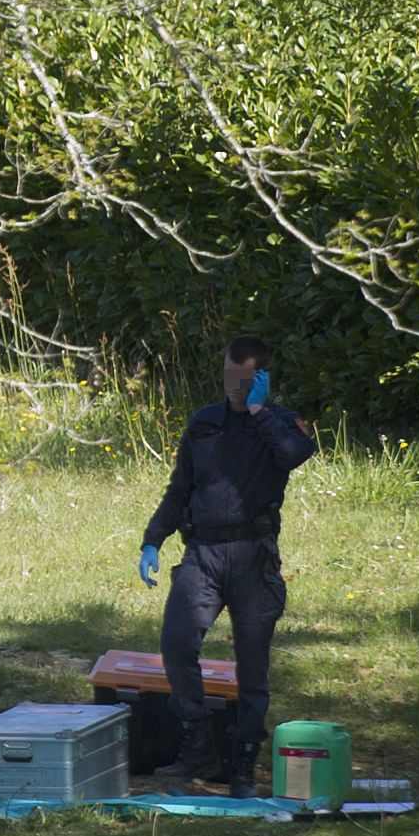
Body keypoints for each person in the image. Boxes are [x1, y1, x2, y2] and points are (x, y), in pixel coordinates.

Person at [137, 334, 318, 797]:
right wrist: (153, 540)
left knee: (251, 668)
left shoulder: (279, 423)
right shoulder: (204, 423)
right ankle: (197, 745)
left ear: (260, 378)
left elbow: (296, 454)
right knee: (177, 643)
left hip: (252, 558)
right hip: (203, 554)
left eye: (244, 377)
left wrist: (259, 411)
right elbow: (180, 489)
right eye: (229, 375)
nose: (233, 385)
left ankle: (242, 765)